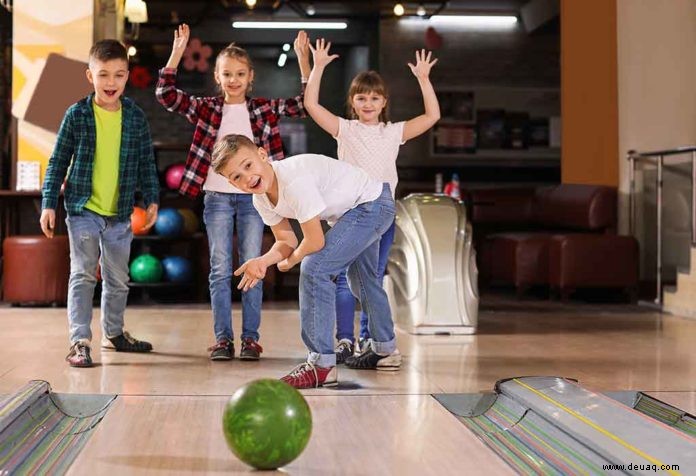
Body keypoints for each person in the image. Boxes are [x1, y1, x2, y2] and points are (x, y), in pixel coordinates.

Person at [156, 24, 311, 361]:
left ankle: (250, 339)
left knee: (253, 265)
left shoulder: (263, 109)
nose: (234, 80)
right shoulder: (207, 108)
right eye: (227, 74)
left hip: (257, 200)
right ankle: (223, 339)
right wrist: (177, 53)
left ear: (250, 76)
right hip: (217, 199)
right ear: (217, 76)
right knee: (220, 268)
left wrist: (303, 61)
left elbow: (304, 105)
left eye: (240, 73)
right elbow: (166, 96)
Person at [211, 134, 401, 388]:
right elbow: (286, 241)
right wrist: (263, 262)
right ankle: (386, 351)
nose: (248, 177)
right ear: (231, 183)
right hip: (359, 209)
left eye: (248, 165)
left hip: (372, 205)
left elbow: (314, 242)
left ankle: (320, 365)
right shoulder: (261, 198)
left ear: (262, 154)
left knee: (314, 269)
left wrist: (292, 262)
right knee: (361, 280)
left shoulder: (293, 180)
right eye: (236, 177)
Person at [303, 39, 440, 362]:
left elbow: (432, 115)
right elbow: (311, 105)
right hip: (350, 214)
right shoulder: (345, 129)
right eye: (361, 97)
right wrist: (318, 67)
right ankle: (363, 343)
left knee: (363, 278)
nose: (368, 103)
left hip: (378, 213)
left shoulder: (393, 132)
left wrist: (423, 79)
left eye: (374, 98)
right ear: (352, 102)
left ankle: (374, 343)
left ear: (384, 103)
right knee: (357, 280)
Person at [40, 39, 160, 368]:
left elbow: (146, 163)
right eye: (103, 74)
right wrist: (49, 203)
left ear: (127, 77)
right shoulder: (77, 115)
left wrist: (152, 198)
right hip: (83, 210)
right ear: (89, 76)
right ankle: (80, 341)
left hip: (120, 213)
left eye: (119, 75)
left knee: (118, 278)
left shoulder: (135, 117)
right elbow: (57, 161)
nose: (111, 82)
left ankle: (114, 333)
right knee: (82, 275)